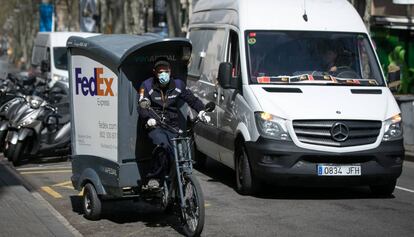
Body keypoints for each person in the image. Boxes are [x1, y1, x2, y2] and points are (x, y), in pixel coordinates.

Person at [138, 58, 210, 182]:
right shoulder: (147, 85)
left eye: (165, 71)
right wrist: (148, 118)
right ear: (155, 72)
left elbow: (192, 99)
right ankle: (156, 177)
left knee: (178, 153)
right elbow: (142, 105)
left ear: (170, 71)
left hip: (173, 125)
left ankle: (178, 180)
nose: (163, 74)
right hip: (155, 125)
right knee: (162, 145)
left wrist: (202, 111)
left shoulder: (178, 85)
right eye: (160, 72)